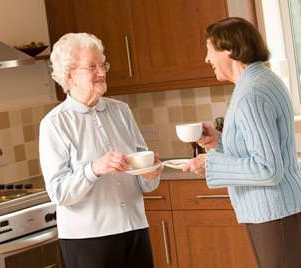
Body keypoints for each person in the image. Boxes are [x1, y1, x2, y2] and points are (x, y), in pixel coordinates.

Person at [182, 17, 301, 268]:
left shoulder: (251, 94)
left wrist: (210, 164)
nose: (207, 59)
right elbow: (260, 148)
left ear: (229, 50)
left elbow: (267, 168)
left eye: (209, 50)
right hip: (279, 209)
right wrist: (219, 142)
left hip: (273, 212)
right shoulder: (261, 80)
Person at [39, 32, 162, 268]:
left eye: (103, 64)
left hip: (135, 227)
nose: (102, 72)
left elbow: (143, 178)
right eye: (92, 66)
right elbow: (59, 192)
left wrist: (149, 174)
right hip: (89, 238)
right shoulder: (55, 123)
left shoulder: (121, 111)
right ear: (70, 75)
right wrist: (93, 169)